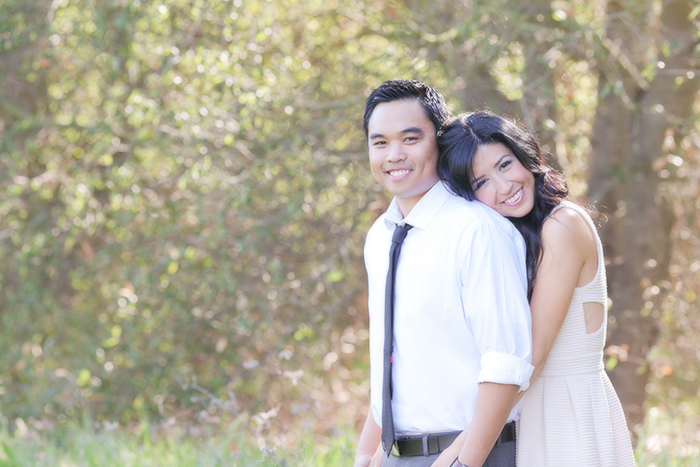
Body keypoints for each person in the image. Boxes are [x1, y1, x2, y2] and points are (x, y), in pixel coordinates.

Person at [437, 110, 636, 466]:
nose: (503, 187)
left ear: (526, 154)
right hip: (538, 408)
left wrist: (458, 452)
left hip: (568, 413)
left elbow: (533, 355)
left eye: (504, 165)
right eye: (480, 182)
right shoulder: (521, 236)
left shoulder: (563, 225)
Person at [353, 79, 534, 467]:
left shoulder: (477, 230)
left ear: (439, 140)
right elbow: (392, 357)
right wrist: (365, 451)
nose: (394, 155)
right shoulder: (379, 237)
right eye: (380, 142)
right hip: (397, 456)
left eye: (410, 139)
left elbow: (505, 362)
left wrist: (465, 462)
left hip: (474, 454)